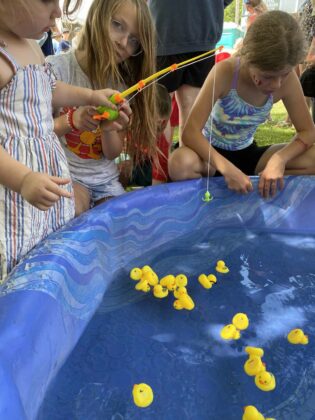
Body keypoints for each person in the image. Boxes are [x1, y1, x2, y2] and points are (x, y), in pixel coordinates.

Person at [0, 0, 123, 282]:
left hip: (44, 176)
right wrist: (23, 179)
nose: (57, 12)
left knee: (48, 247)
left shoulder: (31, 46)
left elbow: (51, 89)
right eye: (47, 1)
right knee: (18, 259)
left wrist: (91, 96)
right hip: (15, 187)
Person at [168, 11, 315, 199]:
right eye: (267, 76)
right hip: (210, 158)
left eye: (284, 74)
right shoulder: (225, 72)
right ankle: (206, 203)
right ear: (248, 57)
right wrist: (226, 169)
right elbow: (190, 132)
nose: (277, 84)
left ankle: (262, 189)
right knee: (180, 163)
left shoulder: (287, 81)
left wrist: (279, 159)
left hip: (248, 155)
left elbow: (308, 132)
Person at [47, 0, 157, 215]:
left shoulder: (122, 89)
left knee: (121, 221)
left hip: (106, 180)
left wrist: (109, 130)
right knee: (74, 211)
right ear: (97, 15)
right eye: (117, 24)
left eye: (134, 40)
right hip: (67, 175)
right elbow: (37, 134)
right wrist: (71, 121)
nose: (123, 42)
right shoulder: (56, 69)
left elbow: (112, 153)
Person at [148, 0, 233, 145]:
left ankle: (181, 166)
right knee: (157, 114)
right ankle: (158, 166)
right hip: (167, 32)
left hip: (198, 34)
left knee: (189, 112)